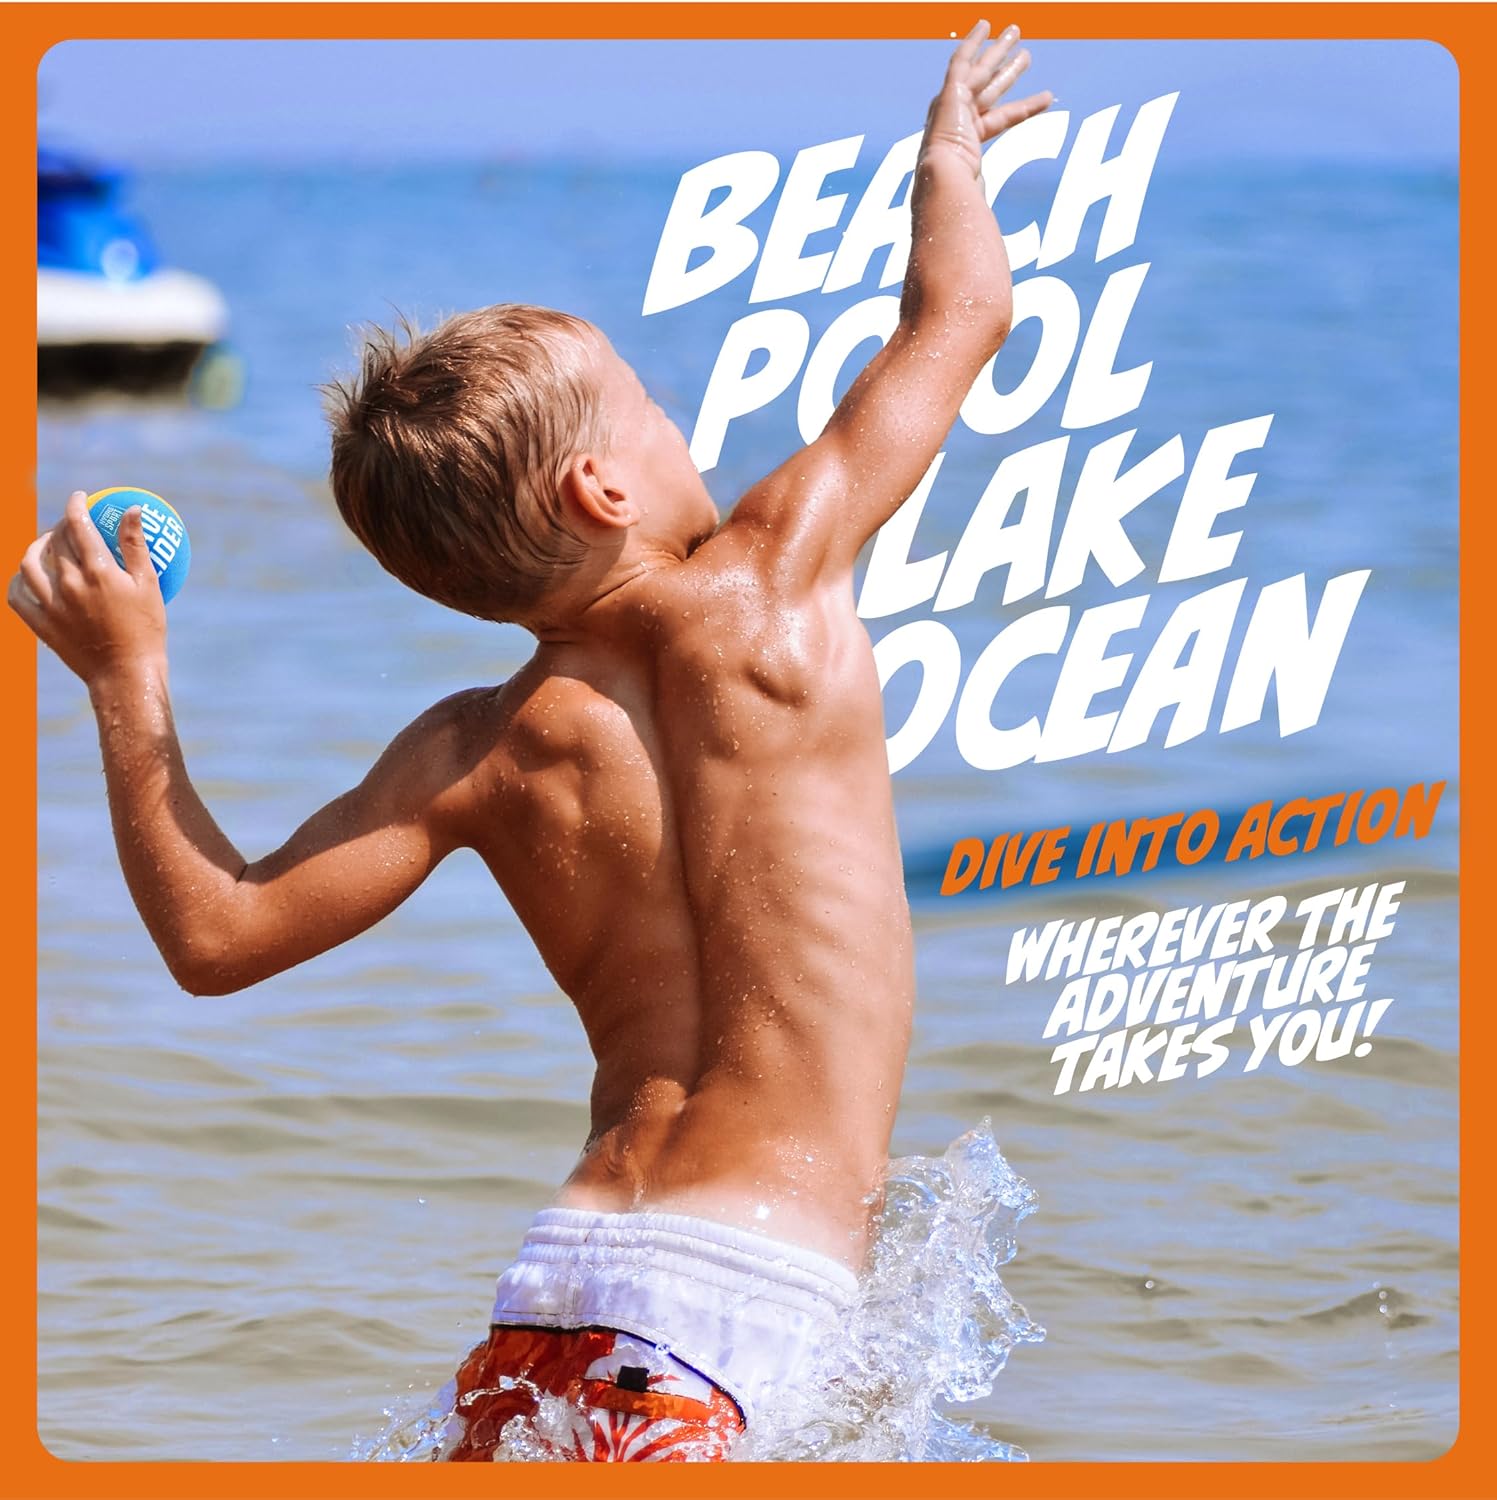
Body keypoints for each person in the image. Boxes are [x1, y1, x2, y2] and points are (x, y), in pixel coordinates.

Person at [12, 22, 1049, 1463]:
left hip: (555, 1292)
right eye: (656, 408)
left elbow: (217, 935)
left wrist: (128, 680)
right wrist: (950, 153)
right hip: (747, 1299)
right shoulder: (777, 574)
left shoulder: (475, 748)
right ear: (601, 486)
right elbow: (960, 316)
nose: (685, 429)